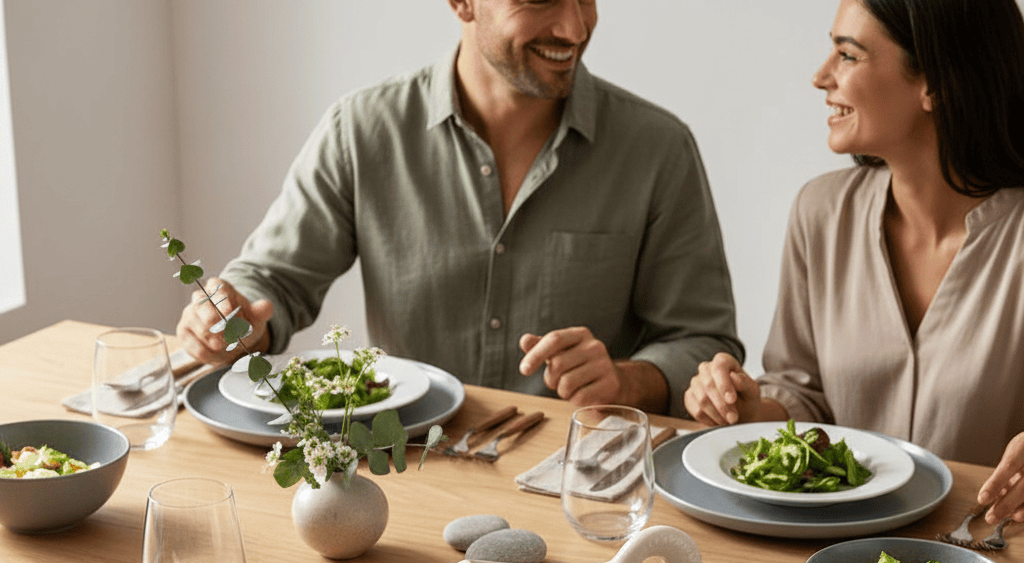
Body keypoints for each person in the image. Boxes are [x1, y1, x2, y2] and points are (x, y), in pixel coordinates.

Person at [175, 0, 742, 418]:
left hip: (579, 484)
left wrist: (624, 380)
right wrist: (228, 319)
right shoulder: (364, 131)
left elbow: (704, 343)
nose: (574, 27)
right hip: (400, 472)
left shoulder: (658, 150)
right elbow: (270, 281)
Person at [683, 0, 1024, 524]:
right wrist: (751, 409)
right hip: (835, 554)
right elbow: (804, 397)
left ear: (935, 83)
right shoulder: (820, 213)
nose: (821, 76)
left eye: (848, 54)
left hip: (989, 556)